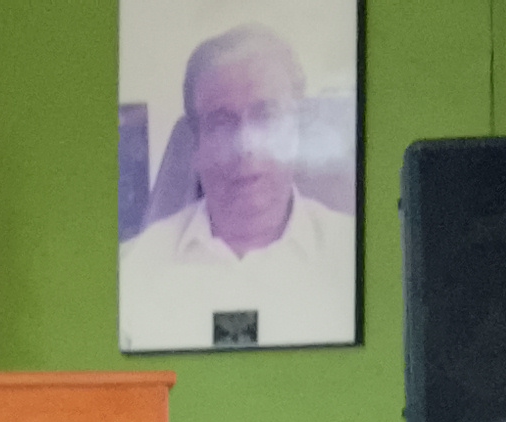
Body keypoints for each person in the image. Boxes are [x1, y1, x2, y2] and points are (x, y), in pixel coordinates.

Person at [120, 23, 356, 350]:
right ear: (196, 144)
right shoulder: (134, 268)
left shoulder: (350, 255)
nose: (245, 145)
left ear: (297, 132)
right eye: (221, 123)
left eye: (267, 116)